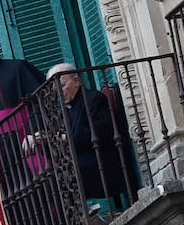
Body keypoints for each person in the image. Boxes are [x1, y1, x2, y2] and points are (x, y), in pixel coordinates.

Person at [46, 62, 132, 206]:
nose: (58, 92)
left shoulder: (94, 99)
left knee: (57, 178)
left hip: (102, 165)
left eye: (61, 86)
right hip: (85, 165)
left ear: (77, 81)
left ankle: (83, 219)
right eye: (54, 89)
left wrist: (68, 139)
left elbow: (103, 132)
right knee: (49, 178)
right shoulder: (67, 110)